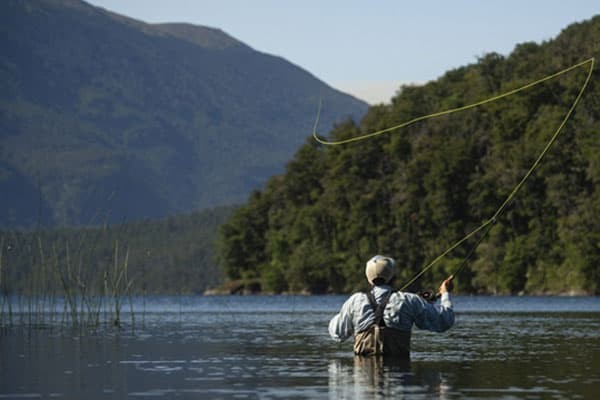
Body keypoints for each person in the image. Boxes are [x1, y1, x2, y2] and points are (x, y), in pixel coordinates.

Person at [328, 255, 455, 358]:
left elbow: (337, 334)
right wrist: (445, 294)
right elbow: (444, 321)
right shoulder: (408, 300)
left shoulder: (355, 301)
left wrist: (346, 311)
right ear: (394, 277)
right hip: (399, 378)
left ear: (368, 279)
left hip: (363, 381)